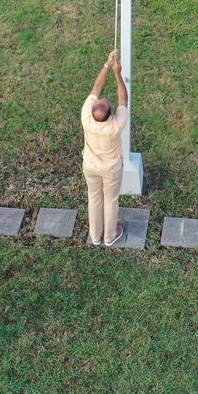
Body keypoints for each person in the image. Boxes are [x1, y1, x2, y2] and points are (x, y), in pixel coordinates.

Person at [80, 50, 129, 247]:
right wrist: (117, 73)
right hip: (111, 169)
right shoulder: (115, 125)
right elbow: (123, 99)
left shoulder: (86, 116)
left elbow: (96, 87)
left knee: (94, 198)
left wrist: (107, 65)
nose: (103, 98)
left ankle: (95, 236)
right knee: (110, 200)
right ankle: (109, 237)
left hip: (90, 166)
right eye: (105, 102)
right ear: (110, 114)